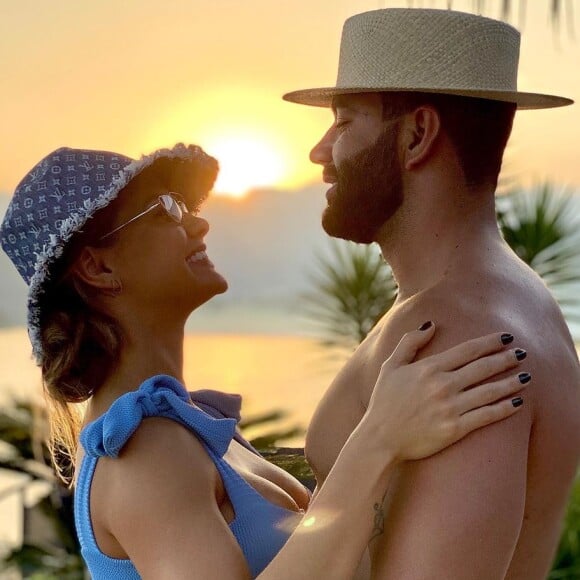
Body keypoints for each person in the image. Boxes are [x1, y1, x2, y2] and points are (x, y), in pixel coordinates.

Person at [0, 143, 530, 579]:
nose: (198, 225)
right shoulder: (143, 453)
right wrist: (379, 438)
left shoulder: (193, 428)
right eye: (166, 209)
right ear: (97, 268)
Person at [283, 7, 580, 579]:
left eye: (344, 123)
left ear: (418, 135)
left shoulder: (460, 335)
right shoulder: (511, 298)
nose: (321, 152)